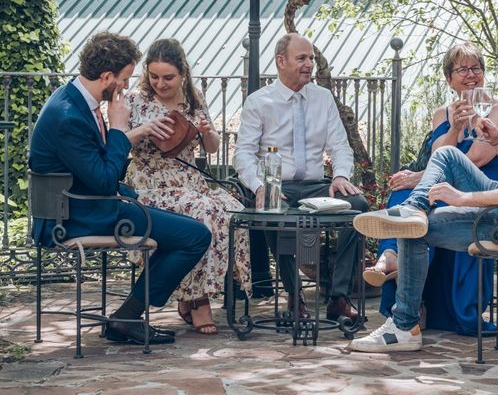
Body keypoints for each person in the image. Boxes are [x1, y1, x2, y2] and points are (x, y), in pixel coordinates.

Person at [350, 42, 498, 352]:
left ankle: (403, 326)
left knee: (413, 230)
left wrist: (460, 198)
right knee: (449, 155)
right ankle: (414, 206)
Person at [29, 32, 212, 345]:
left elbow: (97, 169)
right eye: (125, 79)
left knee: (182, 231)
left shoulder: (71, 99)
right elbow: (103, 179)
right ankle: (127, 316)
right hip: (77, 215)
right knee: (196, 236)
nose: (126, 86)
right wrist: (118, 128)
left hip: (89, 205)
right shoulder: (69, 116)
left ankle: (127, 316)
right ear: (107, 76)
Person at [365, 43, 498, 335]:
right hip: (447, 184)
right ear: (449, 79)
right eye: (462, 70)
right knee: (401, 195)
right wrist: (454, 128)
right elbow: (440, 153)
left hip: (484, 189)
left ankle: (398, 274)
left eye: (476, 68)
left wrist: (417, 178)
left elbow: (474, 159)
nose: (471, 75)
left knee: (412, 198)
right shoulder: (442, 113)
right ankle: (395, 265)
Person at [233, 33, 369, 322]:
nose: (310, 64)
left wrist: (341, 175)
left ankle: (339, 296)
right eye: (302, 58)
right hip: (275, 185)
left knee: (358, 206)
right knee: (273, 209)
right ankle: (295, 298)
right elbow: (242, 155)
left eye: (311, 58)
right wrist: (260, 187)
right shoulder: (259, 102)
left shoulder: (323, 97)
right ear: (281, 61)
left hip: (316, 185)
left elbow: (340, 146)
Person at [124, 38, 252, 335]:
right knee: (204, 212)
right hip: (149, 180)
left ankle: (202, 292)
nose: (160, 83)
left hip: (189, 180)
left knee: (233, 212)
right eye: (154, 76)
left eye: (168, 77)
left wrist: (209, 133)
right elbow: (116, 143)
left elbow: (210, 148)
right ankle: (198, 300)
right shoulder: (135, 100)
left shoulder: (193, 98)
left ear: (182, 73)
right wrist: (143, 130)